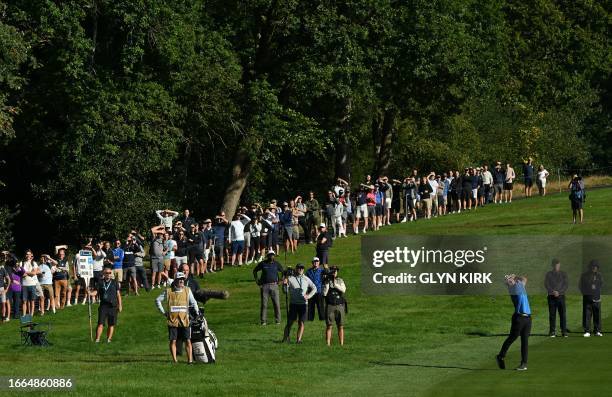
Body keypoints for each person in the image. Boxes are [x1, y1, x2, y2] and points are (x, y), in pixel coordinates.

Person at [155, 272, 199, 363]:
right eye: (179, 279)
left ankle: (190, 361)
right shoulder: (168, 291)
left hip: (185, 320)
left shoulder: (187, 290)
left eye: (183, 279)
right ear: (175, 280)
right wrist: (164, 312)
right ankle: (175, 360)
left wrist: (197, 312)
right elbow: (157, 300)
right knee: (173, 340)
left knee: (187, 340)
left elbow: (193, 302)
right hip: (172, 320)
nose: (181, 281)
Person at [497, 274, 531, 371]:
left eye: (511, 279)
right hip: (519, 317)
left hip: (528, 318)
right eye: (508, 281)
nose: (510, 281)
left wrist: (516, 276)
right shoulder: (513, 289)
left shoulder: (519, 285)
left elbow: (525, 278)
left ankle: (524, 364)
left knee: (525, 341)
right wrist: (515, 277)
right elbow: (523, 280)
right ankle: (501, 356)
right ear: (508, 284)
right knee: (512, 337)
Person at [282, 263, 317, 343]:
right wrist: (284, 284)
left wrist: (308, 296)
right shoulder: (290, 278)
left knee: (301, 322)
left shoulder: (306, 279)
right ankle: (285, 338)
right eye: (299, 268)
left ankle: (299, 339)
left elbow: (314, 288)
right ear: (296, 269)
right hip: (293, 304)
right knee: (290, 322)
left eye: (302, 268)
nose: (301, 269)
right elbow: (285, 291)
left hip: (304, 304)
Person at [89, 267, 122, 343]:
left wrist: (120, 305)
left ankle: (108, 339)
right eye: (107, 273)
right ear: (104, 274)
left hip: (113, 306)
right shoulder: (100, 282)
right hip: (103, 306)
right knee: (100, 323)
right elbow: (96, 292)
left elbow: (118, 295)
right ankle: (97, 339)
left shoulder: (115, 282)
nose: (108, 274)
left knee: (111, 324)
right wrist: (90, 293)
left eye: (110, 273)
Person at [253, 250, 284, 325]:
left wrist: (281, 280)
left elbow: (283, 271)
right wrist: (257, 281)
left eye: (272, 255)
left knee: (276, 304)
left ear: (274, 256)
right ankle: (263, 321)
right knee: (264, 304)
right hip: (265, 286)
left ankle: (278, 320)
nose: (271, 256)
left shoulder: (276, 264)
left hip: (274, 285)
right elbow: (255, 271)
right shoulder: (263, 263)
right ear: (267, 256)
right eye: (270, 255)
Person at [323, 266, 347, 346]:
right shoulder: (327, 280)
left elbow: (343, 290)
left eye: (336, 271)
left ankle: (341, 344)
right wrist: (326, 283)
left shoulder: (340, 280)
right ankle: (328, 344)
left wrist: (335, 284)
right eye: (333, 271)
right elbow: (324, 293)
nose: (334, 272)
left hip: (340, 305)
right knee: (329, 325)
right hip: (330, 305)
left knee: (340, 326)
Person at [544, 259, 568, 337]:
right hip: (551, 297)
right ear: (552, 265)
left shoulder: (563, 274)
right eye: (555, 265)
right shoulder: (549, 274)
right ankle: (552, 331)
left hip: (561, 297)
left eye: (558, 265)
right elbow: (546, 284)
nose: (557, 267)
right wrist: (553, 291)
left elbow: (565, 285)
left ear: (559, 265)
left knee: (562, 315)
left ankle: (563, 331)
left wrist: (559, 292)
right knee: (552, 315)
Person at [580, 260, 603, 337]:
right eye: (593, 267)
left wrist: (596, 288)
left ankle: (597, 331)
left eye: (595, 267)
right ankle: (587, 331)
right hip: (587, 297)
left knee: (597, 314)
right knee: (587, 314)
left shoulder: (599, 275)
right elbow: (581, 286)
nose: (594, 268)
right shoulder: (584, 275)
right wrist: (585, 293)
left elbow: (601, 284)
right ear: (590, 267)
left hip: (596, 297)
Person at [20, 250, 39, 317]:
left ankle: (31, 314)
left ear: (31, 255)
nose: (28, 255)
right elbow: (22, 274)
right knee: (24, 301)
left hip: (32, 284)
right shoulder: (22, 263)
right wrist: (30, 272)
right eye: (27, 254)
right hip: (24, 284)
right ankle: (24, 315)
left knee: (32, 301)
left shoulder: (34, 263)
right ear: (25, 255)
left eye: (29, 254)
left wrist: (26, 272)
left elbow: (34, 273)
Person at [306, 257, 325, 321]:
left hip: (319, 291)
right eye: (314, 261)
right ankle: (310, 319)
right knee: (311, 307)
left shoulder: (322, 271)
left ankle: (322, 318)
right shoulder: (308, 271)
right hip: (311, 291)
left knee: (320, 306)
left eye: (317, 261)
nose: (316, 262)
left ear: (319, 262)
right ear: (312, 263)